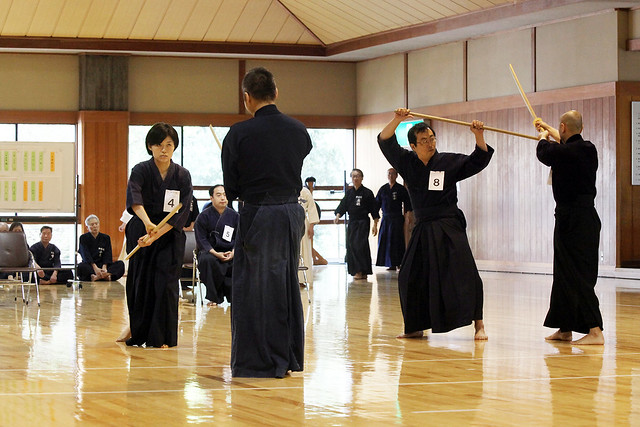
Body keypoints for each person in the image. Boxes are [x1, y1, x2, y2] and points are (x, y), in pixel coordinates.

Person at [222, 66, 311, 378]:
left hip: (260, 213)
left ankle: (260, 361)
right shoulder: (299, 130)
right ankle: (287, 357)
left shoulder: (239, 134)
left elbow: (231, 187)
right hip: (291, 213)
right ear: (276, 93)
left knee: (255, 288)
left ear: (247, 98)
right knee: (285, 283)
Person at [378, 108, 493, 340]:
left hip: (448, 223)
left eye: (432, 139)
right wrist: (397, 120)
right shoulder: (406, 162)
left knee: (464, 272)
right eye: (423, 141)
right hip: (423, 225)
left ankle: (479, 324)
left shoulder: (447, 161)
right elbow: (384, 140)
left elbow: (477, 160)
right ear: (413, 146)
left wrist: (478, 135)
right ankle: (414, 326)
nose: (430, 144)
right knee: (409, 275)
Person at [534, 110, 604, 345]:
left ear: (563, 127)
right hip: (575, 219)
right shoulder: (587, 149)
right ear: (581, 129)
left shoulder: (563, 152)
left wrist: (542, 137)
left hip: (576, 220)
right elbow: (564, 143)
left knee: (578, 274)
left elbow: (544, 152)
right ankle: (565, 329)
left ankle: (595, 330)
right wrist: (546, 127)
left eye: (559, 128)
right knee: (563, 273)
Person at [124, 122, 192, 348]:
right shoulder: (140, 170)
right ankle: (138, 332)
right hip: (142, 230)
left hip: (169, 234)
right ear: (150, 146)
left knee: (166, 285)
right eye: (159, 145)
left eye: (169, 145)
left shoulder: (182, 175)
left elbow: (182, 211)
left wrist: (157, 233)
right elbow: (135, 200)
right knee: (141, 282)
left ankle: (162, 338)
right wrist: (148, 224)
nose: (164, 150)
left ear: (175, 147)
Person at [194, 185, 238, 306]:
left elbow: (240, 238)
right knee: (208, 260)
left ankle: (234, 297)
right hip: (210, 251)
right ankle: (213, 297)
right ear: (211, 198)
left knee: (240, 261)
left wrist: (233, 252)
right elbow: (201, 239)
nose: (222, 198)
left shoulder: (235, 216)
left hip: (230, 251)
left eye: (225, 195)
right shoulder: (203, 217)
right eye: (218, 195)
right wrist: (215, 253)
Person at [333, 169, 380, 281]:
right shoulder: (349, 193)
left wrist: (375, 225)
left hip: (363, 222)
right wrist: (338, 215)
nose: (355, 178)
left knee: (360, 245)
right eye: (353, 176)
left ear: (362, 178)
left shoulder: (367, 193)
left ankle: (361, 271)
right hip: (352, 222)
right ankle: (358, 270)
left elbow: (374, 209)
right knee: (351, 245)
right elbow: (342, 206)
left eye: (358, 176)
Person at [375, 168, 412, 270]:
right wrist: (375, 219)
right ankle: (390, 263)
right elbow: (376, 204)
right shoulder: (383, 189)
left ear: (396, 176)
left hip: (397, 218)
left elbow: (408, 203)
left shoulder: (401, 189)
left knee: (397, 240)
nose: (390, 176)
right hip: (386, 219)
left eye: (392, 174)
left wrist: (408, 216)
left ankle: (399, 262)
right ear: (387, 175)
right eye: (389, 174)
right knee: (385, 240)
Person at [77, 215, 125, 282]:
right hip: (90, 265)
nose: (95, 226)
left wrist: (104, 267)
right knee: (81, 267)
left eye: (96, 224)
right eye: (92, 224)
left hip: (103, 265)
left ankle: (100, 276)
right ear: (87, 227)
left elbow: (108, 253)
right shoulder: (83, 238)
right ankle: (106, 277)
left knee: (120, 264)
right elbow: (85, 254)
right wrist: (95, 268)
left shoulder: (106, 238)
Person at [298, 184, 320, 283]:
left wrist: (311, 226)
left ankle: (303, 278)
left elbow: (311, 209)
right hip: (290, 223)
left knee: (305, 251)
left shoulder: (305, 192)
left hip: (303, 223)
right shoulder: (287, 190)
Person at [305, 177, 328, 266]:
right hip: (306, 219)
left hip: (311, 219)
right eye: (309, 183)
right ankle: (317, 258)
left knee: (309, 239)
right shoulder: (305, 192)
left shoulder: (309, 193)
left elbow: (312, 208)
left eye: (312, 183)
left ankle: (316, 258)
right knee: (308, 241)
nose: (311, 184)